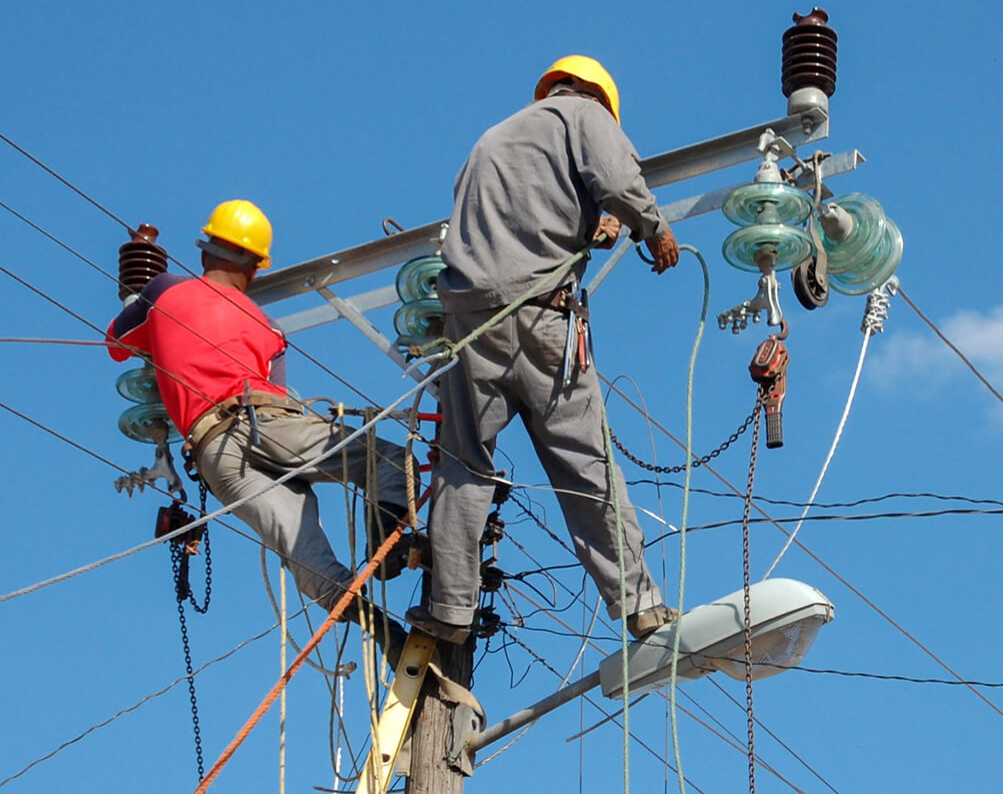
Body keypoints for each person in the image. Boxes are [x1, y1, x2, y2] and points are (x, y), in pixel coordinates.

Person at [407, 56, 680, 644]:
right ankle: (638, 602)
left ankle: (450, 609)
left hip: (469, 323)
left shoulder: (492, 139)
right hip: (540, 316)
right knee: (583, 461)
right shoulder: (583, 114)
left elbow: (509, 223)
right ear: (595, 96)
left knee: (461, 465)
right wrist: (651, 226)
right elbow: (615, 177)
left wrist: (585, 229)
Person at [106, 200, 414, 646]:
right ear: (254, 269)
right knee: (387, 462)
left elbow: (116, 342)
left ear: (204, 252)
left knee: (299, 546)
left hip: (214, 454)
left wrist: (142, 295)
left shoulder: (165, 292)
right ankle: (386, 547)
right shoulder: (269, 328)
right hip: (265, 421)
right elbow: (278, 398)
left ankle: (381, 631)